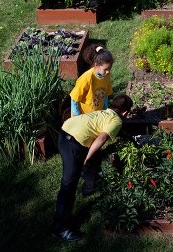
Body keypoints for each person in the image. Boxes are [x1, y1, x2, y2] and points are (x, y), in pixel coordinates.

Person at [52, 93, 133, 242]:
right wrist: (86, 159)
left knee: (91, 161)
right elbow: (101, 138)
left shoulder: (105, 113)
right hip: (73, 143)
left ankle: (89, 187)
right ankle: (61, 229)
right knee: (68, 184)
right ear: (126, 112)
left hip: (65, 132)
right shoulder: (116, 121)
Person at [70, 44, 114, 116]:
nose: (108, 71)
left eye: (109, 68)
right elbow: (74, 98)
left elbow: (105, 95)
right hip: (84, 116)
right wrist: (77, 116)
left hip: (97, 115)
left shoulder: (106, 76)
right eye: (105, 69)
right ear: (96, 65)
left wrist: (105, 110)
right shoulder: (87, 78)